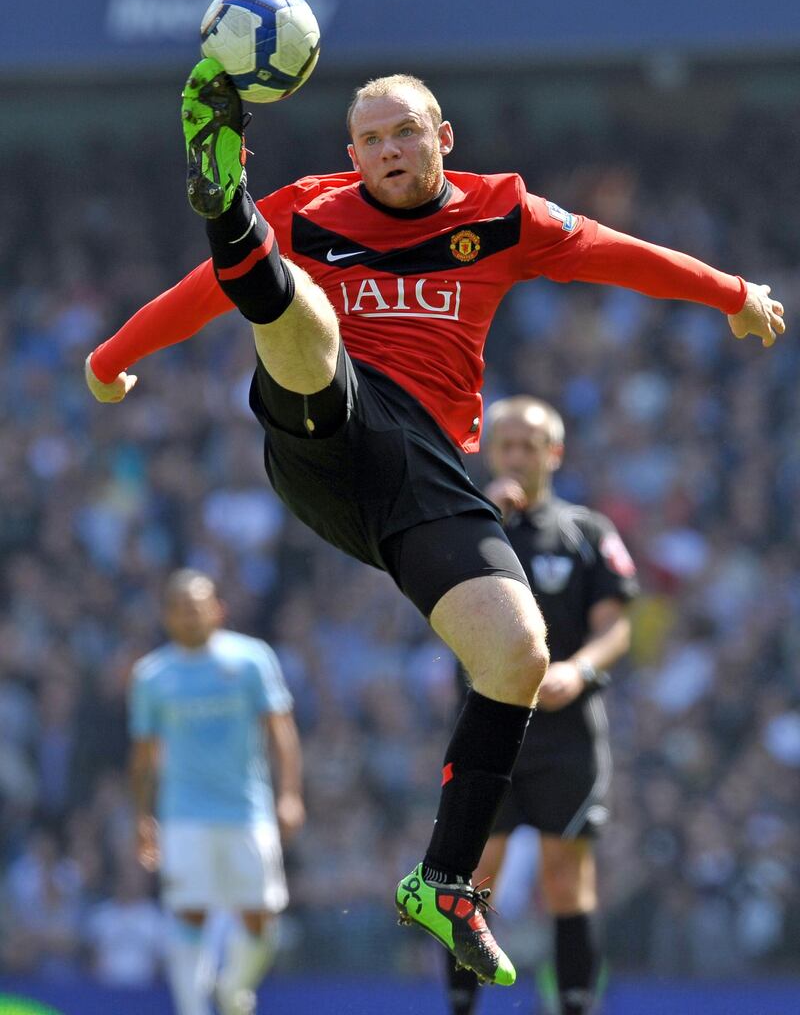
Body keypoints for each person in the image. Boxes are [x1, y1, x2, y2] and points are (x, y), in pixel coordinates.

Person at [85, 61, 784, 986]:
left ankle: (446, 878)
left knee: (518, 653)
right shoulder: (314, 210)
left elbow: (617, 252)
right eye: (370, 140)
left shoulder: (503, 214)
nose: (387, 152)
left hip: (422, 476)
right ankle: (224, 199)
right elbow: (204, 293)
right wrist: (112, 356)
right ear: (351, 154)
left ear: (441, 137)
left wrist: (731, 293)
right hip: (327, 432)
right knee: (297, 315)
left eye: (404, 133)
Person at [444, 396, 639, 1015]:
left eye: (531, 445)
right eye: (507, 444)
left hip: (565, 733)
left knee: (565, 875)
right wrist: (485, 523)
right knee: (473, 880)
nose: (518, 455)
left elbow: (616, 627)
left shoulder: (588, 532)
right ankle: (459, 1006)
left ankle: (576, 1007)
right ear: (490, 450)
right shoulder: (460, 522)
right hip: (489, 726)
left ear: (553, 454)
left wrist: (579, 670)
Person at [129, 568, 304, 1015]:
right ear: (167, 616)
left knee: (261, 917)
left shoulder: (251, 659)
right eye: (180, 609)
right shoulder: (152, 675)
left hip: (247, 809)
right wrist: (143, 818)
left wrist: (289, 794)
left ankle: (233, 991)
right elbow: (144, 755)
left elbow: (281, 730)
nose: (190, 616)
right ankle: (193, 1010)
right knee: (190, 912)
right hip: (184, 814)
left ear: (217, 609)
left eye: (197, 606)